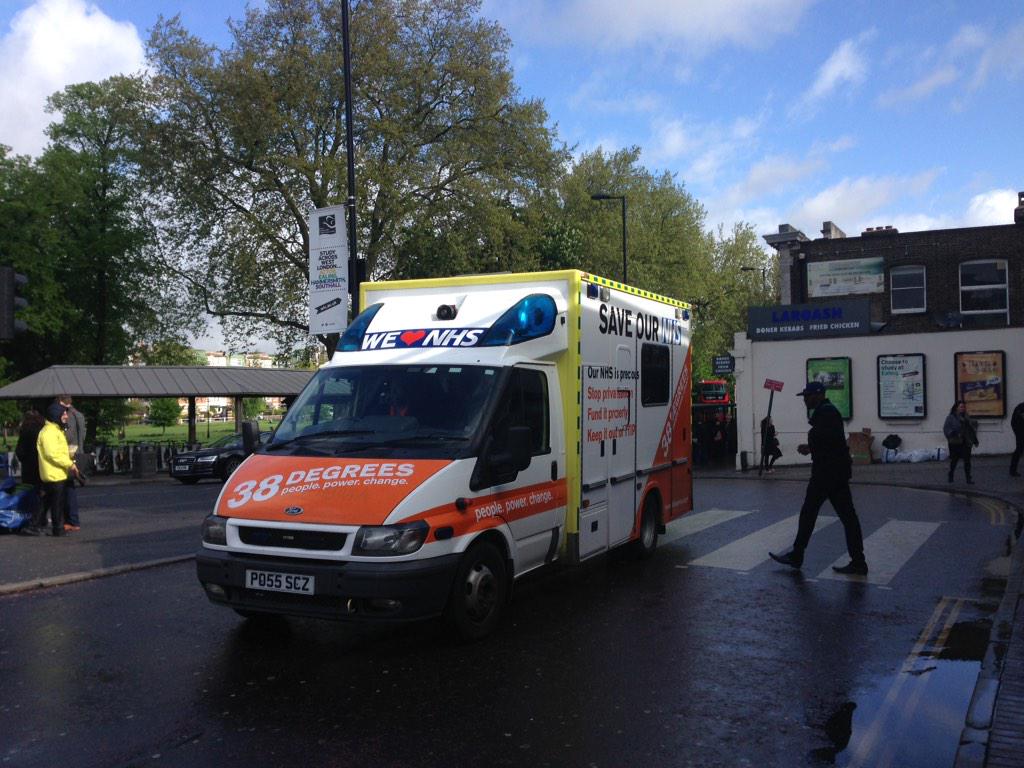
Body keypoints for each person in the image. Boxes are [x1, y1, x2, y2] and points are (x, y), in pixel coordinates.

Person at [769, 381, 867, 575]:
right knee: (841, 517)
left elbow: (828, 441)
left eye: (807, 396)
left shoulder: (827, 412)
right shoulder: (825, 412)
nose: (804, 400)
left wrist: (810, 447)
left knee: (814, 514)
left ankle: (799, 555)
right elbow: (829, 440)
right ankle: (857, 561)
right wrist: (811, 447)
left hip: (827, 474)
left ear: (818, 395)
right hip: (832, 472)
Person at [37, 403, 82, 537]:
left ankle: (37, 525)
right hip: (54, 474)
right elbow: (52, 454)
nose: (66, 416)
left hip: (55, 473)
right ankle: (57, 528)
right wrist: (69, 464)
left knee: (47, 502)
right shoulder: (50, 432)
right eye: (63, 413)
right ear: (55, 415)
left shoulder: (55, 430)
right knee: (57, 503)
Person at [57, 395, 86, 531]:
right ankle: (71, 520)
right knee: (69, 488)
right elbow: (82, 436)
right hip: (75, 454)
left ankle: (71, 520)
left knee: (67, 488)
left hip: (69, 455)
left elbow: (69, 436)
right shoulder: (78, 414)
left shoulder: (69, 416)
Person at [14, 410, 45, 536]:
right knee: (42, 495)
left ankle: (32, 520)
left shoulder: (26, 431)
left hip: (29, 467)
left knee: (30, 494)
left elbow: (20, 451)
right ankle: (41, 520)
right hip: (42, 466)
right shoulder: (43, 430)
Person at [944, 400, 979, 484]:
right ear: (956, 408)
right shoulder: (951, 417)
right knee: (954, 461)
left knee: (967, 461)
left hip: (966, 442)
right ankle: (951, 474)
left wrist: (974, 440)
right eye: (961, 407)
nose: (963, 408)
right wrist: (953, 433)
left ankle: (968, 478)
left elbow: (970, 429)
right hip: (955, 442)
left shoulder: (967, 417)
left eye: (964, 407)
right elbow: (946, 428)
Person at [1010, 401, 1024, 477]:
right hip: (1019, 429)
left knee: (1020, 449)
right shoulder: (1021, 407)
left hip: (1019, 428)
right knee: (1019, 449)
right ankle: (1012, 470)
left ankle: (1012, 470)